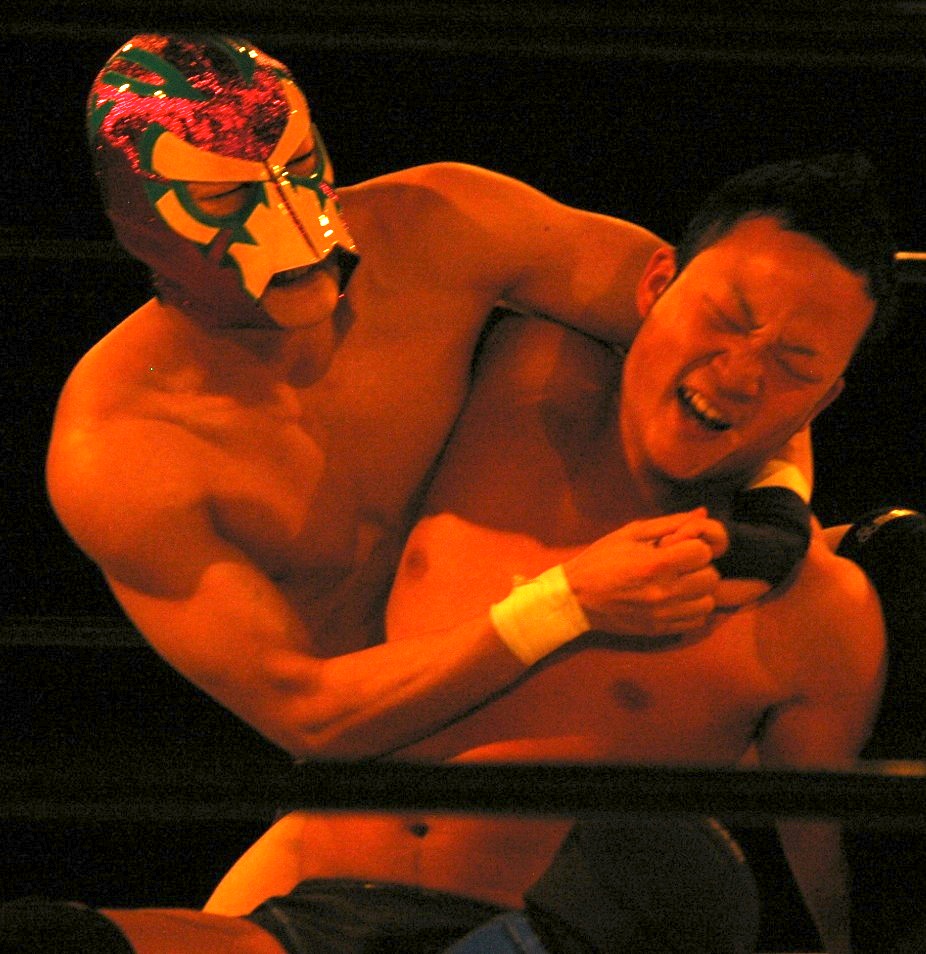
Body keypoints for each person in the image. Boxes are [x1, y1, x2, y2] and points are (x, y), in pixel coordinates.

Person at [12, 152, 893, 952]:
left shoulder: (816, 614)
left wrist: (774, 529)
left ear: (827, 397)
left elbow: (822, 902)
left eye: (795, 364)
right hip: (319, 911)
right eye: (726, 318)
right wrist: (567, 601)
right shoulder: (515, 370)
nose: (740, 373)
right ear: (659, 283)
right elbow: (308, 712)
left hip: (537, 933)